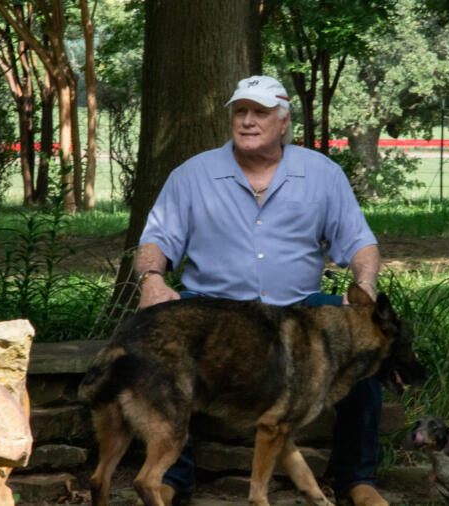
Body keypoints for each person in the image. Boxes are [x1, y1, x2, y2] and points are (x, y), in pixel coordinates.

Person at [133, 75, 387, 506]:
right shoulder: (192, 174)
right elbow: (155, 241)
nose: (248, 121)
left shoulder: (322, 173)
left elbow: (361, 243)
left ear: (284, 122)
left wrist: (363, 285)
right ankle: (171, 480)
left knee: (367, 348)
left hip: (299, 310)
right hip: (214, 310)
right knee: (165, 354)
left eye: (260, 113)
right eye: (240, 112)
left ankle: (357, 480)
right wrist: (152, 279)